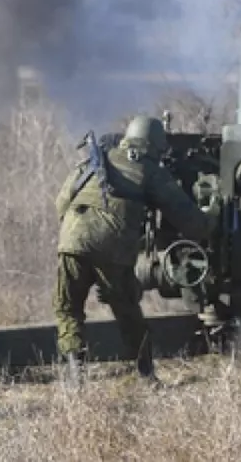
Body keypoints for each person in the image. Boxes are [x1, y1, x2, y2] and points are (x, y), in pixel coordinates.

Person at [53, 115, 216, 385]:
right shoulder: (150, 170)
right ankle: (146, 375)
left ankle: (75, 373)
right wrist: (213, 214)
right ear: (154, 146)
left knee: (68, 308)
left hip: (72, 241)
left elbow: (61, 203)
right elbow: (192, 223)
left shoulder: (94, 161)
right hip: (112, 249)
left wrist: (78, 232)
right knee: (127, 311)